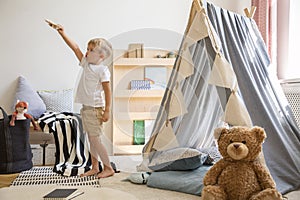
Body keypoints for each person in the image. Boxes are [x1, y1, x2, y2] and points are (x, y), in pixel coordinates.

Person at [49, 23, 114, 178]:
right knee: (91, 140)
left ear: (101, 56)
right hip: (86, 108)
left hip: (95, 109)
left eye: (91, 50)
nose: (87, 52)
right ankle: (95, 167)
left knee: (96, 140)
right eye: (88, 48)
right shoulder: (86, 64)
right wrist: (62, 33)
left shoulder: (102, 70)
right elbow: (75, 48)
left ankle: (108, 168)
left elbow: (107, 90)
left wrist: (107, 110)